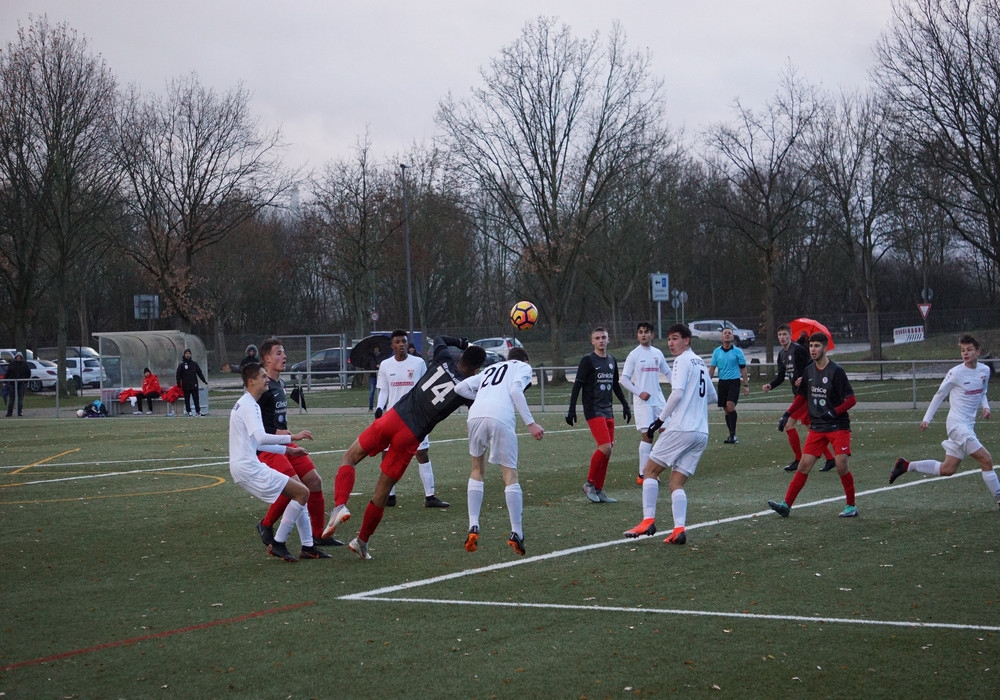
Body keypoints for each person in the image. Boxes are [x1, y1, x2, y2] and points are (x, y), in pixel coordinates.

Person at [322, 337, 486, 560]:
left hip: (394, 417)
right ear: (476, 369)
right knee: (382, 491)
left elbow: (439, 340)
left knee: (349, 457)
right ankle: (361, 541)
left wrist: (462, 342)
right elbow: (479, 406)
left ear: (461, 356)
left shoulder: (443, 359)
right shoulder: (466, 388)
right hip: (411, 436)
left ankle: (340, 505)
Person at [624, 323, 716, 545]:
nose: (671, 343)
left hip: (682, 428)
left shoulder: (682, 360)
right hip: (701, 433)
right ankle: (679, 529)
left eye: (675, 338)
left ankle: (647, 520)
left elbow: (676, 394)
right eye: (669, 339)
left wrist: (660, 420)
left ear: (687, 340)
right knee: (676, 483)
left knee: (649, 471)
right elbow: (712, 396)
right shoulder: (700, 363)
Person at [228, 362, 329, 562]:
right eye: (263, 377)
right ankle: (279, 542)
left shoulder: (247, 403)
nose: (267, 380)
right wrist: (293, 438)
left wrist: (289, 452)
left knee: (298, 493)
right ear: (251, 381)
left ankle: (308, 546)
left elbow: (257, 442)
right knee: (302, 492)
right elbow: (263, 437)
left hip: (244, 466)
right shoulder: (250, 405)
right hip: (248, 468)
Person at [889, 334, 999, 509]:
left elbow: (982, 392)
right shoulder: (955, 373)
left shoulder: (984, 370)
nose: (965, 353)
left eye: (969, 350)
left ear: (978, 351)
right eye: (963, 350)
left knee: (947, 469)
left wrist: (986, 407)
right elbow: (939, 395)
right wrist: (927, 419)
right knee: (986, 460)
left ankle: (906, 466)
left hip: (968, 426)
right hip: (957, 426)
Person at [455, 347, 544, 556]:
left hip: (475, 416)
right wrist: (531, 423)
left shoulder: (491, 368)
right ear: (527, 360)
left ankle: (473, 525)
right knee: (510, 475)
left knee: (477, 468)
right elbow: (515, 391)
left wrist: (480, 399)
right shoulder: (522, 367)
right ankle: (516, 532)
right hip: (501, 417)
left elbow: (460, 388)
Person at [253, 338, 341, 548]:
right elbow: (256, 427)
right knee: (295, 487)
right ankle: (266, 524)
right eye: (279, 353)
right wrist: (282, 433)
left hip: (285, 442)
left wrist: (286, 435)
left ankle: (319, 535)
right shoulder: (261, 387)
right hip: (269, 446)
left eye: (283, 353)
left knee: (314, 481)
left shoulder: (279, 383)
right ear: (266, 359)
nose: (284, 357)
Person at [768, 332, 858, 518]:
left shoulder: (836, 371)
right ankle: (786, 505)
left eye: (817, 346)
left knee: (841, 465)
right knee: (804, 466)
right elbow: (801, 397)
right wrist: (787, 414)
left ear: (825, 348)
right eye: (811, 346)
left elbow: (851, 400)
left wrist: (834, 412)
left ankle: (851, 506)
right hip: (817, 427)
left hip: (838, 425)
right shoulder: (808, 371)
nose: (813, 349)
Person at [375, 330, 450, 508]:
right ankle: (390, 496)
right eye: (397, 342)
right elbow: (383, 390)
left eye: (404, 341)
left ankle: (430, 497)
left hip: (416, 417)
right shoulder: (385, 365)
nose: (401, 344)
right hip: (393, 417)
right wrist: (379, 408)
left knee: (422, 453)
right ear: (392, 345)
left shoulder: (418, 363)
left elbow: (426, 385)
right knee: (387, 454)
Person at [566, 327, 632, 503]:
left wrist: (625, 405)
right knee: (605, 447)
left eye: (603, 337)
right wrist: (571, 409)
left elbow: (615, 385)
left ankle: (599, 489)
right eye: (597, 338)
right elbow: (577, 385)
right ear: (592, 341)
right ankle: (588, 483)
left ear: (608, 339)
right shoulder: (587, 361)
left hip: (608, 409)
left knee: (608, 452)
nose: (601, 340)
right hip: (593, 409)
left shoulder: (611, 360)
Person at [762, 325, 836, 472]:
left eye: (784, 334)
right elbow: (781, 376)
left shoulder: (798, 350)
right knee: (810, 426)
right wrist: (771, 385)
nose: (782, 337)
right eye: (779, 335)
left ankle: (798, 459)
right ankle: (830, 459)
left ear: (790, 335)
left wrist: (803, 377)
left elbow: (812, 364)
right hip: (799, 393)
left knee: (789, 424)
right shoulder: (782, 355)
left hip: (806, 393)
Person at [619, 322, 671, 485]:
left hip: (659, 401)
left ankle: (655, 467)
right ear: (637, 335)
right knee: (648, 436)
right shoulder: (634, 355)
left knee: (667, 433)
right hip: (643, 403)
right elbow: (624, 379)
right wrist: (639, 392)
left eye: (646, 332)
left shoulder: (657, 353)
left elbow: (668, 372)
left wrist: (678, 387)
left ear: (652, 335)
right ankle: (643, 474)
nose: (643, 335)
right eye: (640, 332)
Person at [708, 328, 749, 444]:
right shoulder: (717, 352)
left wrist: (746, 384)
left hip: (734, 382)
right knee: (726, 410)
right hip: (722, 382)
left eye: (729, 333)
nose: (727, 335)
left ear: (732, 336)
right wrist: (707, 382)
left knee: (730, 405)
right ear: (721, 337)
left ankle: (733, 434)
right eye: (725, 333)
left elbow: (743, 369)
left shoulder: (737, 352)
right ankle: (731, 433)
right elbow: (712, 369)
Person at [175, 348, 208, 416]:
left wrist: (204, 380)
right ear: (184, 355)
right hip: (186, 385)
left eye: (189, 353)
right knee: (187, 399)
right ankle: (189, 411)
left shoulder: (194, 364)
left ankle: (198, 412)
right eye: (186, 353)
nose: (188, 355)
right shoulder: (182, 364)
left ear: (191, 354)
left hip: (194, 384)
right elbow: (178, 374)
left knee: (196, 398)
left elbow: (199, 373)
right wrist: (178, 383)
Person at [4, 352, 31, 417]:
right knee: (11, 399)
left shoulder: (24, 364)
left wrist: (25, 381)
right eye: (17, 357)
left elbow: (28, 373)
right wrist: (5, 381)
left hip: (21, 384)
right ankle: (9, 412)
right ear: (16, 357)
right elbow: (8, 373)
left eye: (20, 357)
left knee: (20, 399)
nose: (18, 358)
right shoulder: (12, 364)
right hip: (12, 384)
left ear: (21, 357)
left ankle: (19, 412)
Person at [368, 345, 383, 412]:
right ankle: (370, 407)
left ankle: (382, 406)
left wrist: (380, 366)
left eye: (377, 348)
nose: (376, 350)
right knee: (372, 391)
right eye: (375, 349)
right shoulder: (371, 357)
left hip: (380, 376)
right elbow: (368, 365)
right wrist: (373, 367)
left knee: (381, 391)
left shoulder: (382, 357)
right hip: (372, 376)